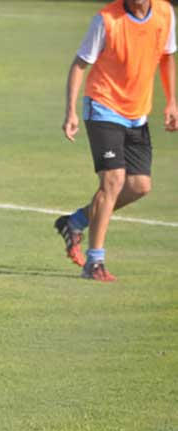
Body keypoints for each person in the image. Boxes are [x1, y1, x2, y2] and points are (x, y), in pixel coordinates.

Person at [57, 0, 177, 282]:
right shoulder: (106, 20)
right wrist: (71, 111)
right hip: (103, 106)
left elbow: (167, 56)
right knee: (113, 181)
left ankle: (75, 222)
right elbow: (79, 65)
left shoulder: (165, 13)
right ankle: (94, 262)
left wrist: (171, 101)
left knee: (139, 186)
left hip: (138, 113)